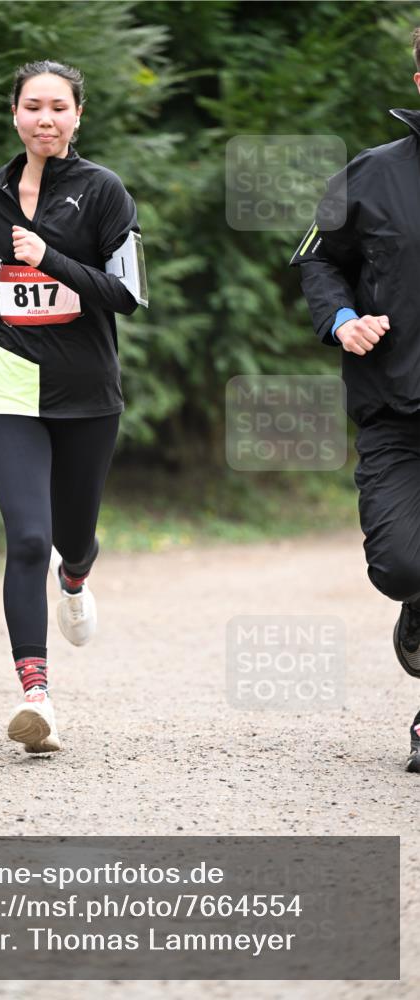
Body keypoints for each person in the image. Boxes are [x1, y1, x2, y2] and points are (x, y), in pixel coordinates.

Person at [0, 60, 148, 754]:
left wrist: (49, 256)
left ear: (77, 116)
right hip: (8, 380)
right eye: (33, 107)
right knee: (27, 536)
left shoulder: (103, 191)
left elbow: (126, 295)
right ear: (15, 114)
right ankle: (37, 697)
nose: (45, 119)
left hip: (85, 389)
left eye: (58, 107)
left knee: (71, 535)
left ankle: (78, 573)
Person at [290, 28, 420, 773]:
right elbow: (317, 259)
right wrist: (342, 320)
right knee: (401, 566)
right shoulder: (370, 174)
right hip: (393, 405)